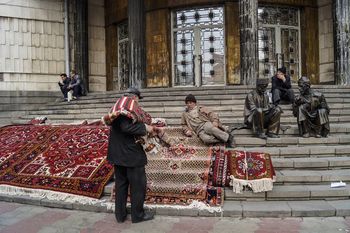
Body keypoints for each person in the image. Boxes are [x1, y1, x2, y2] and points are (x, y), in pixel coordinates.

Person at [105, 87, 157, 224]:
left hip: (118, 154)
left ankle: (120, 215)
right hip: (131, 155)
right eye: (138, 99)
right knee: (138, 186)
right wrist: (146, 128)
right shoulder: (126, 109)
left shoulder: (118, 108)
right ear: (134, 97)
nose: (138, 103)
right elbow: (126, 128)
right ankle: (137, 215)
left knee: (121, 185)